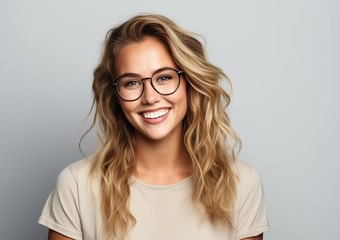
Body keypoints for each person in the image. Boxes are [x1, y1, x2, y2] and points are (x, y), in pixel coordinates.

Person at [38, 14, 269, 240]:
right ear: (116, 95)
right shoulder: (77, 185)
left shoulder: (241, 183)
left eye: (164, 78)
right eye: (132, 83)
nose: (150, 97)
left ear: (190, 83)